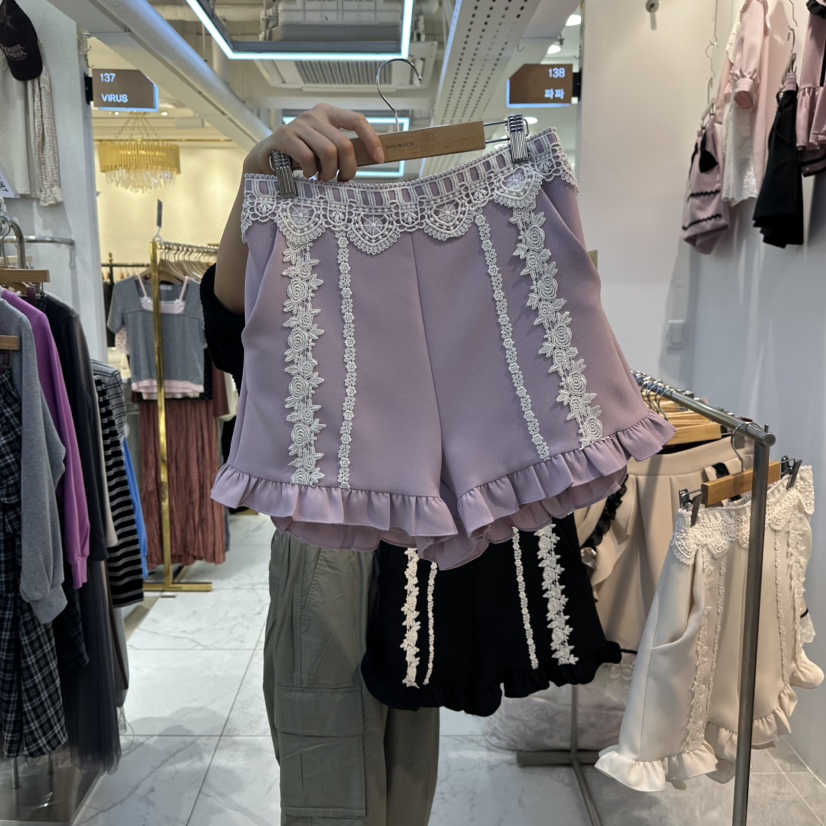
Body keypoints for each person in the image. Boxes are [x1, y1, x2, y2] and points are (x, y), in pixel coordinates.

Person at [204, 105, 440, 826]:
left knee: (408, 770)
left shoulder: (441, 262)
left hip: (425, 550)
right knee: (331, 775)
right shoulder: (296, 259)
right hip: (325, 542)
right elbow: (229, 328)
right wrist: (255, 180)